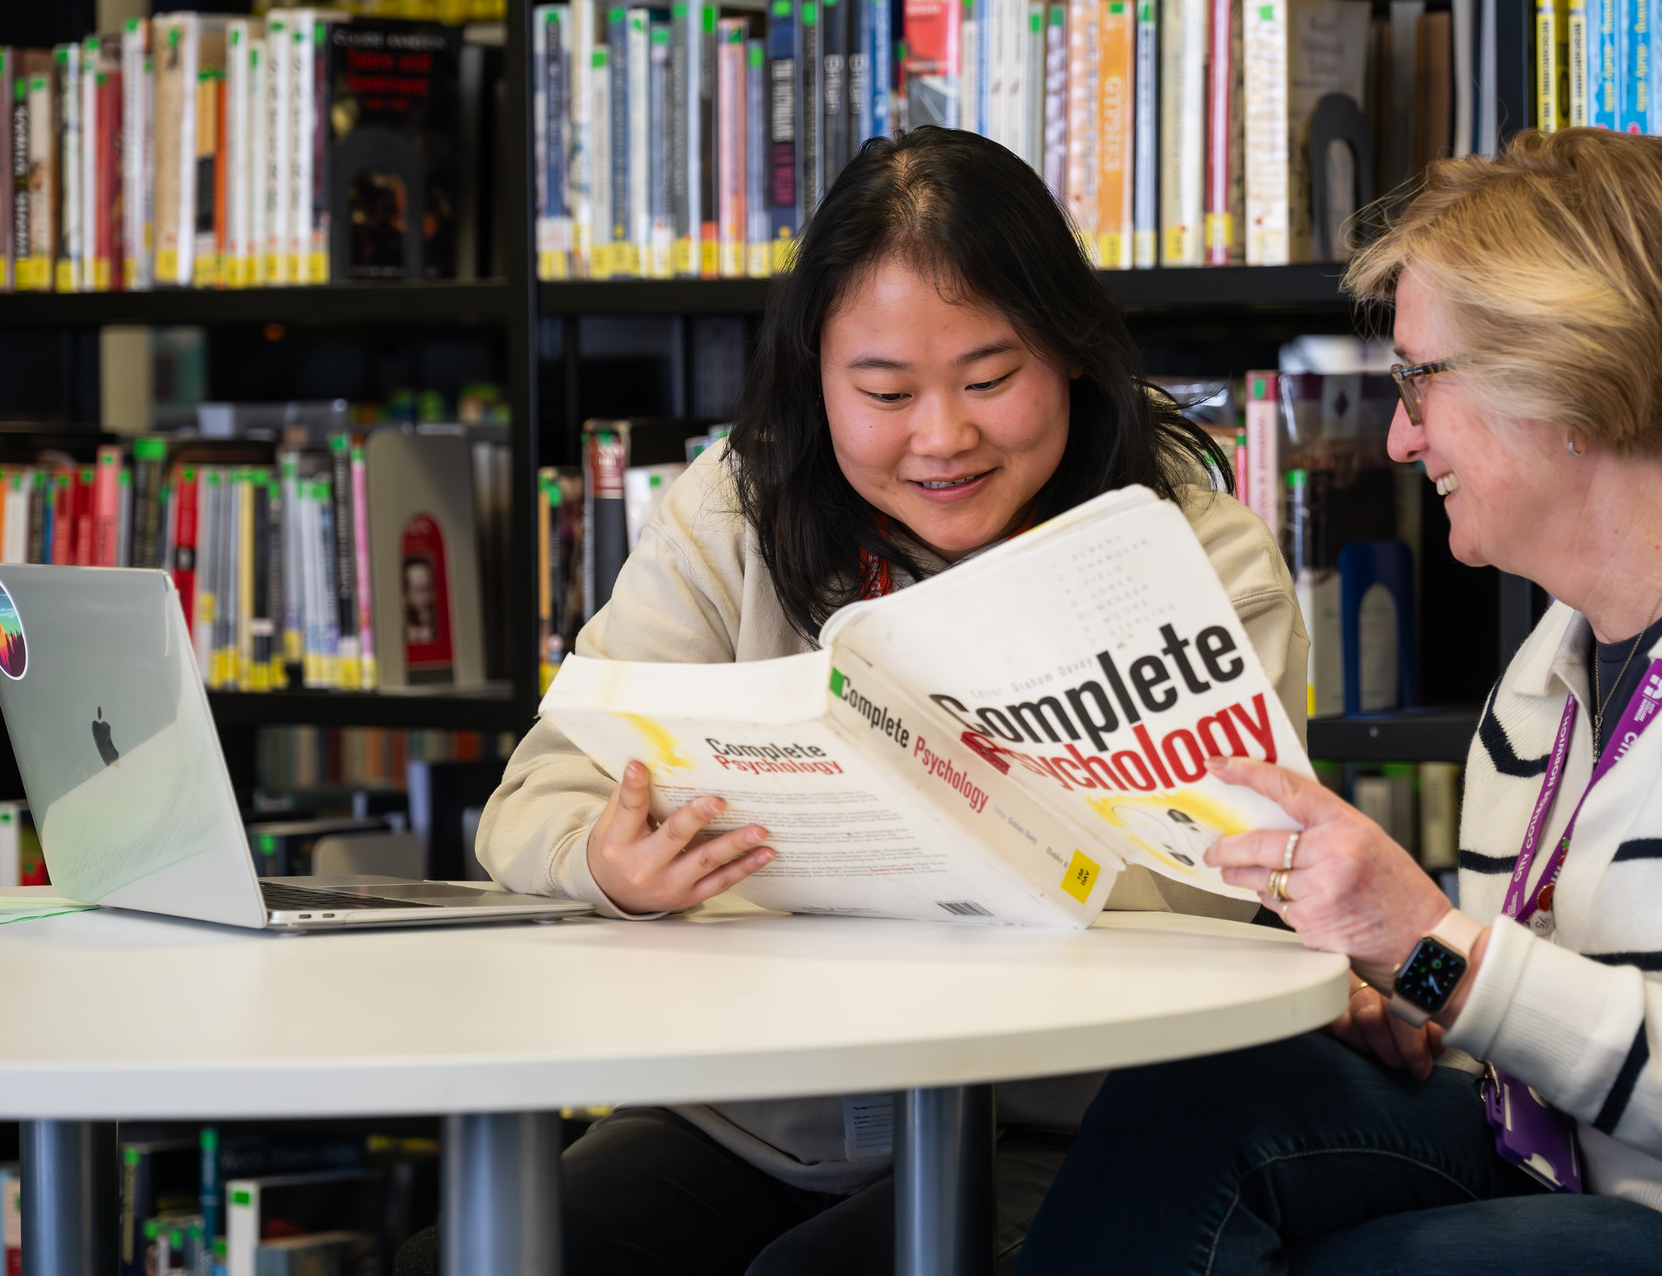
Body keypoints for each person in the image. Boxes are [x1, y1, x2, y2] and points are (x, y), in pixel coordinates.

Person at [1018, 127, 1662, 1274]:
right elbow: (1533, 1042)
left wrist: (1435, 947)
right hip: (1569, 1167)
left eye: (1416, 380)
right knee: (1198, 1096)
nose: (1398, 437)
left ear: (1565, 374)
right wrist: (1409, 994)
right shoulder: (1542, 684)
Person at [425, 126, 1307, 1276]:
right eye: (883, 391)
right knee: (483, 1256)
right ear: (815, 379)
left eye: (990, 380)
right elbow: (537, 794)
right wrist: (603, 861)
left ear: (1072, 354)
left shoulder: (1194, 555)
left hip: (1056, 1116)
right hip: (764, 1105)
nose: (941, 437)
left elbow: (1221, 889)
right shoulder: (731, 516)